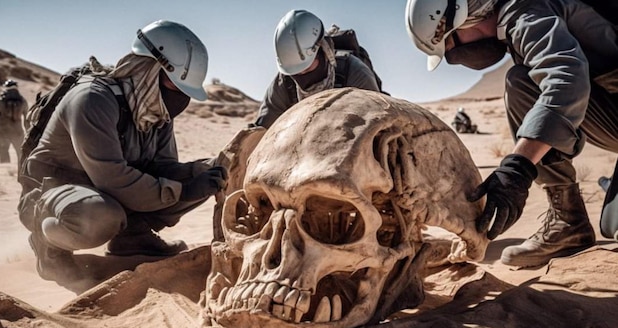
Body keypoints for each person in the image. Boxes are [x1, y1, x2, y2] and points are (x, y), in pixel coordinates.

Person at [405, 0, 618, 267]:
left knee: (521, 84)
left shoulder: (525, 12)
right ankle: (568, 220)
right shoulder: (517, 22)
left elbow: (566, 79)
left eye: (450, 44)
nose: (454, 55)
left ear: (460, 19)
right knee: (523, 83)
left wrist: (518, 167)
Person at [17, 20, 228, 282]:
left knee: (211, 173)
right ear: (147, 69)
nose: (180, 99)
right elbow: (112, 177)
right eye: (175, 86)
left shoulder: (155, 111)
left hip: (110, 194)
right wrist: (184, 191)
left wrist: (203, 170)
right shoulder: (93, 99)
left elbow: (163, 168)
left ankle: (132, 237)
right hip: (56, 197)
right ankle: (49, 246)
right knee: (100, 215)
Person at [253, 9, 381, 129]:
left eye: (307, 68)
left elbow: (378, 126)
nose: (302, 75)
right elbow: (263, 131)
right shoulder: (284, 84)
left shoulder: (356, 75)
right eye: (295, 73)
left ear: (325, 52)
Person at [0, 79, 28, 164]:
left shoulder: (1, 100)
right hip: (18, 131)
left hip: (4, 130)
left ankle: (6, 170)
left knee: (4, 152)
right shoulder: (22, 100)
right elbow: (27, 117)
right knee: (20, 153)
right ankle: (21, 170)